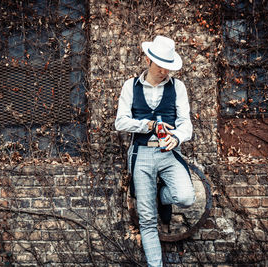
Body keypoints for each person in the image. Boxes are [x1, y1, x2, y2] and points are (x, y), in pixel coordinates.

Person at [115, 35, 195, 267]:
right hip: (141, 154)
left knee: (186, 197)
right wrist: (147, 125)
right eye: (160, 65)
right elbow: (120, 123)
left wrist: (177, 137)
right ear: (149, 60)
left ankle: (162, 196)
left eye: (168, 66)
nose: (164, 71)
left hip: (169, 154)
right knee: (148, 220)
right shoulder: (130, 86)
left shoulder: (178, 87)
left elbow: (186, 123)